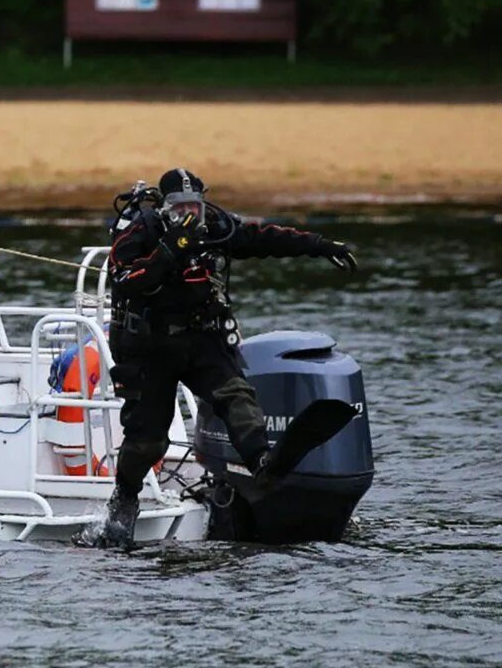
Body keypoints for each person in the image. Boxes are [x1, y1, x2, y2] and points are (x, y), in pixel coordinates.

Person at [99, 168, 358, 547]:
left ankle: (261, 462)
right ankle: (125, 497)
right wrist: (170, 251)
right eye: (179, 208)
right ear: (165, 208)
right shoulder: (145, 230)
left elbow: (263, 238)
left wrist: (320, 245)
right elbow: (125, 279)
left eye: (195, 206)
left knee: (236, 394)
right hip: (148, 347)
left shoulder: (216, 226)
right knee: (149, 440)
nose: (189, 214)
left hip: (201, 338)